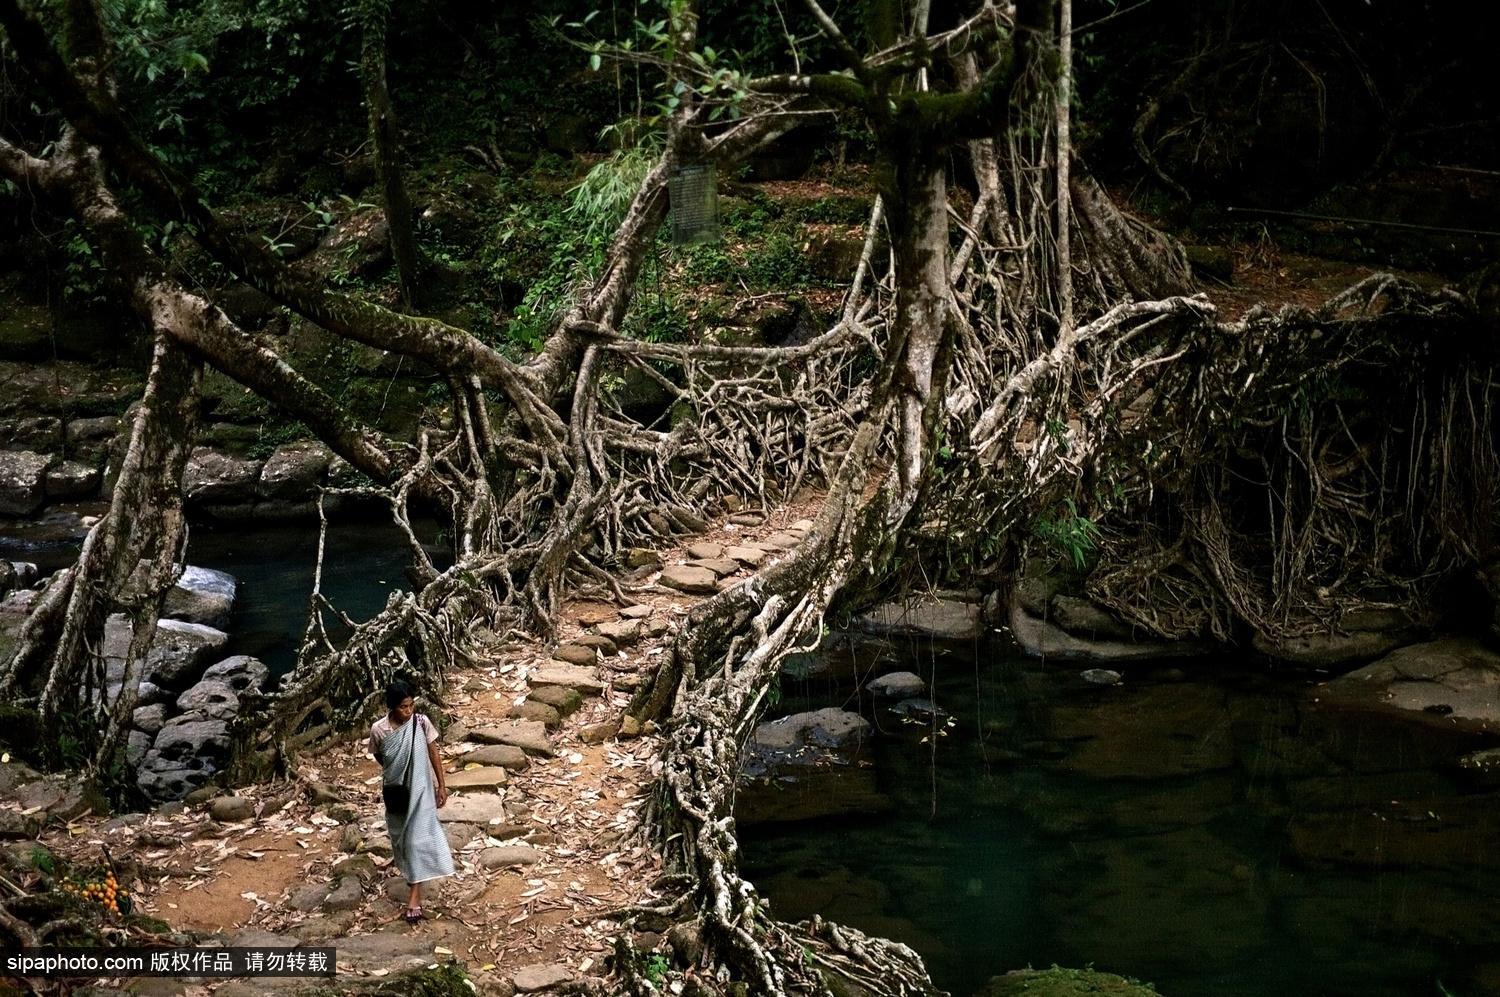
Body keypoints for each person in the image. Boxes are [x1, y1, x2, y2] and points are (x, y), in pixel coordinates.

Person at [368, 680, 453, 924]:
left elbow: (433, 752)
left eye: (411, 705)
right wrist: (396, 769)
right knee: (400, 835)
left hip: (421, 788)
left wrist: (441, 785)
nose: (409, 710)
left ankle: (414, 896)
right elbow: (379, 754)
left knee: (417, 839)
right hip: (396, 790)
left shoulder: (421, 723)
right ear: (392, 707)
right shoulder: (380, 730)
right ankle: (410, 868)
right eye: (404, 707)